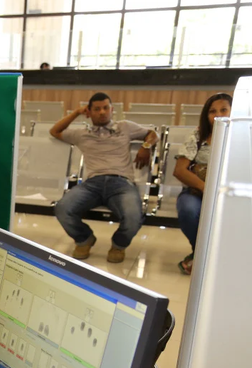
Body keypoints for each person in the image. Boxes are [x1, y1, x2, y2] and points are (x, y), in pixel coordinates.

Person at [50, 92, 159, 263]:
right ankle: (84, 239)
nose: (102, 112)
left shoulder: (124, 127)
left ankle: (118, 245)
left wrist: (146, 146)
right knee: (63, 208)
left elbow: (153, 134)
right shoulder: (81, 134)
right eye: (97, 109)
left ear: (111, 109)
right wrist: (77, 112)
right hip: (92, 184)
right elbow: (55, 131)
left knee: (134, 216)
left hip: (121, 183)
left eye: (106, 108)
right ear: (90, 112)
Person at [173, 93, 232, 275]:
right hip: (198, 191)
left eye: (224, 110)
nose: (218, 115)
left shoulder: (244, 137)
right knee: (188, 210)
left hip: (231, 193)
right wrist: (207, 188)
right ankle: (201, 253)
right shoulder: (198, 136)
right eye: (212, 111)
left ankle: (214, 256)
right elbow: (180, 170)